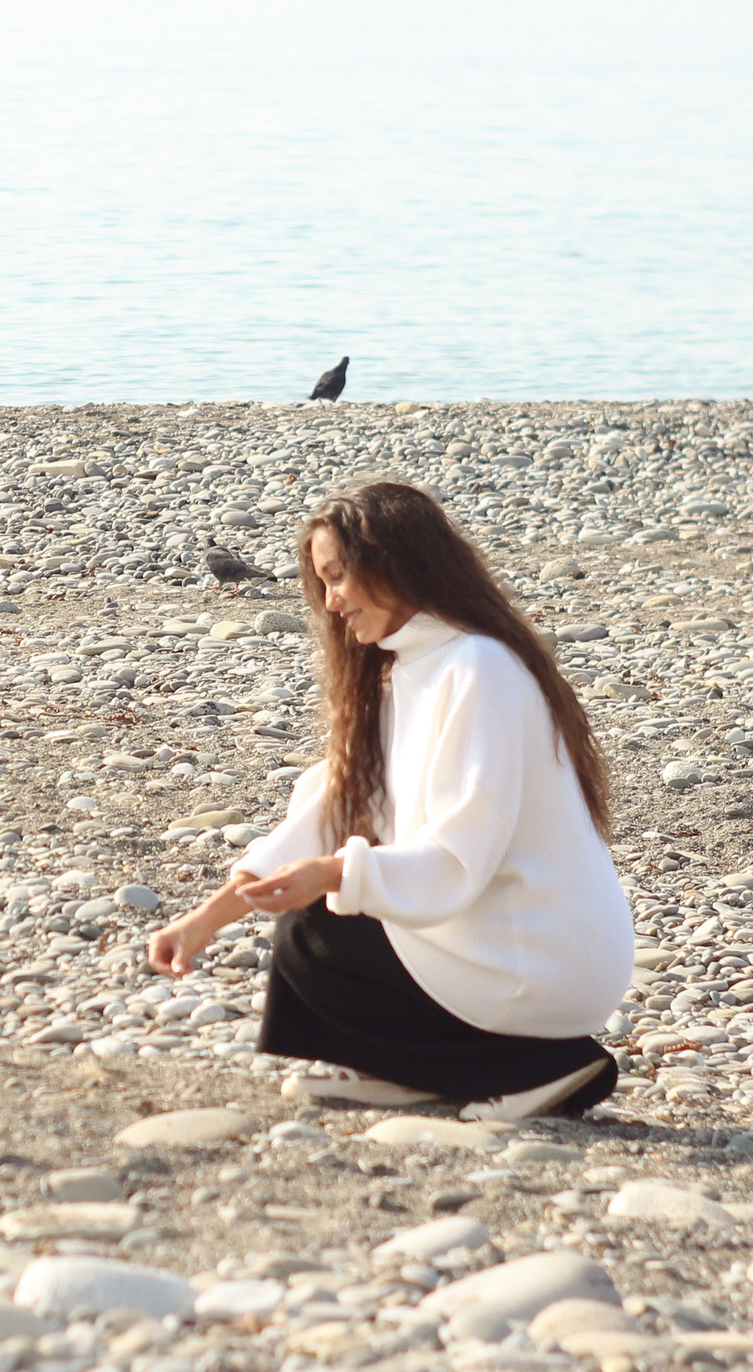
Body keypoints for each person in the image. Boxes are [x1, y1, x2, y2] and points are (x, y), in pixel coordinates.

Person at [146, 480, 632, 1121]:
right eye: (322, 582)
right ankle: (407, 1074)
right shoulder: (402, 671)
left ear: (395, 562)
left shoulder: (479, 666)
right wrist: (204, 920)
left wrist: (331, 875)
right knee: (319, 914)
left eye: (339, 576)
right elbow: (325, 815)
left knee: (321, 929)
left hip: (543, 951)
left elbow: (460, 852)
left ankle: (544, 1069)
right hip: (499, 935)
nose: (331, 601)